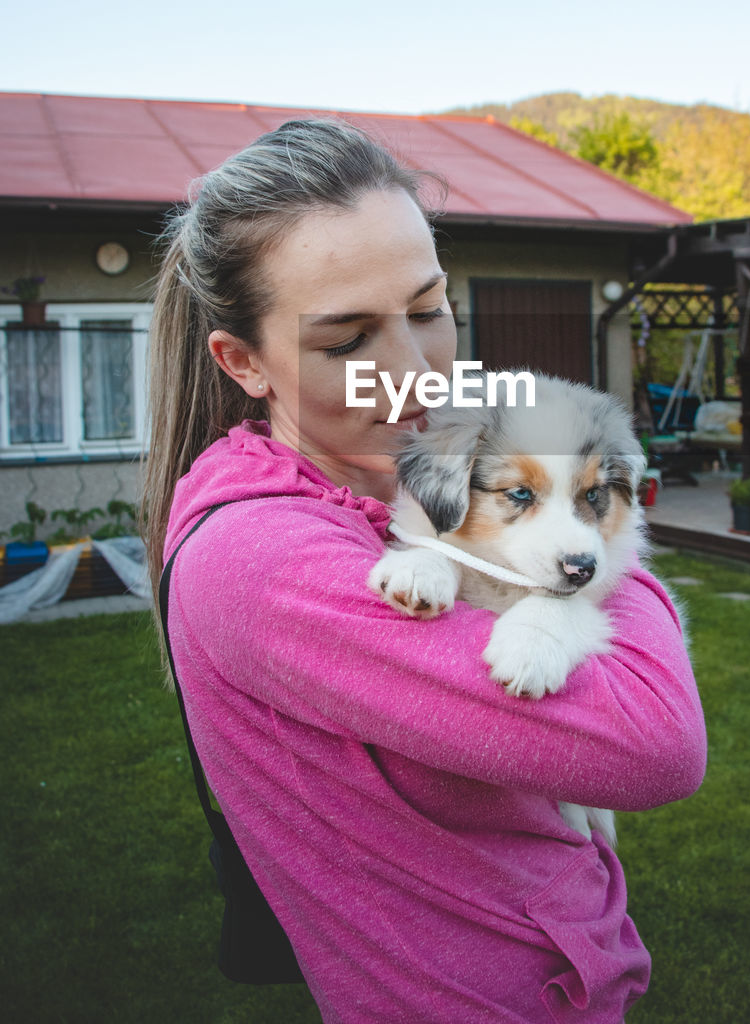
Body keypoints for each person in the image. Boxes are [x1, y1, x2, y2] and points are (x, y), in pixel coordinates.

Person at [143, 118, 706, 1024]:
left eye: (427, 308)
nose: (413, 375)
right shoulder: (263, 559)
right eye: (346, 340)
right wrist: (591, 516)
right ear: (242, 361)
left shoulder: (390, 481)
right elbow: (651, 740)